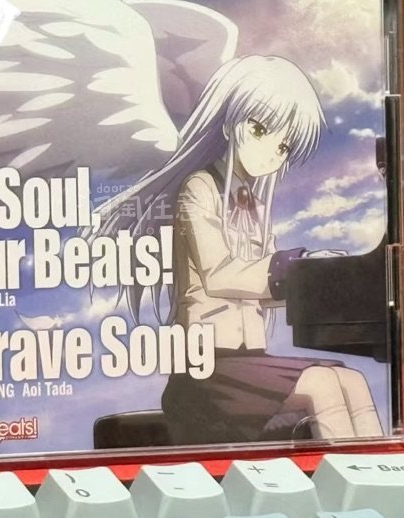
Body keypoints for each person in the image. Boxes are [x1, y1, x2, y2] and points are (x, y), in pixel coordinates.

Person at [93, 54, 384, 443]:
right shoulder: (198, 189)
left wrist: (317, 278)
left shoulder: (254, 205)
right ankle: (347, 471)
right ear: (231, 124)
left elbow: (262, 290)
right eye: (260, 129)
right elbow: (219, 275)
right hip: (206, 367)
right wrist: (295, 266)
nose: (270, 151)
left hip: (249, 361)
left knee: (352, 381)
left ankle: (370, 469)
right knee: (324, 387)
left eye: (283, 147)